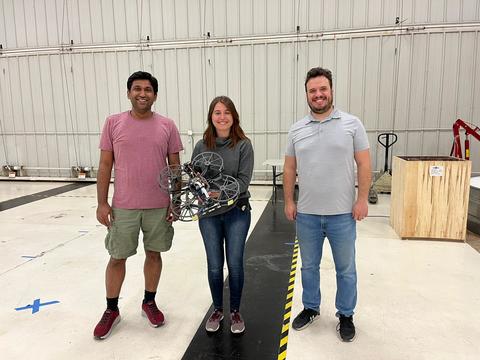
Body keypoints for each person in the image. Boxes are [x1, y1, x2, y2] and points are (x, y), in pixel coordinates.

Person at [93, 71, 183, 340]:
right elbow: (105, 165)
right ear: (128, 92)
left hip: (158, 206)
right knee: (117, 257)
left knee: (154, 255)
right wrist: (101, 203)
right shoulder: (113, 123)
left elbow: (175, 167)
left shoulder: (167, 125)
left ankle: (149, 301)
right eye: (137, 88)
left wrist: (175, 202)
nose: (142, 93)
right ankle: (111, 309)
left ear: (155, 95)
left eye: (147, 89)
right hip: (124, 207)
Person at [283, 67, 371, 342]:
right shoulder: (296, 129)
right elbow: (289, 169)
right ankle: (310, 308)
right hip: (307, 214)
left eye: (323, 89)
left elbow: (364, 163)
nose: (318, 95)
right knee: (308, 266)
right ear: (307, 94)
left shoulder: (352, 124)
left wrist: (362, 199)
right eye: (313, 91)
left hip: (342, 215)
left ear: (331, 91)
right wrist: (288, 200)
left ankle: (345, 314)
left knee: (346, 268)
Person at [192, 96, 254, 334]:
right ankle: (217, 309)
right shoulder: (201, 145)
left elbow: (243, 181)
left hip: (237, 212)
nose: (222, 117)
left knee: (235, 265)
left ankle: (235, 311)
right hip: (209, 215)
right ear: (211, 117)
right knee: (215, 266)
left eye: (227, 112)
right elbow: (196, 177)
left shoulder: (243, 145)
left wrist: (216, 192)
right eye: (217, 112)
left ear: (233, 116)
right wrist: (197, 186)